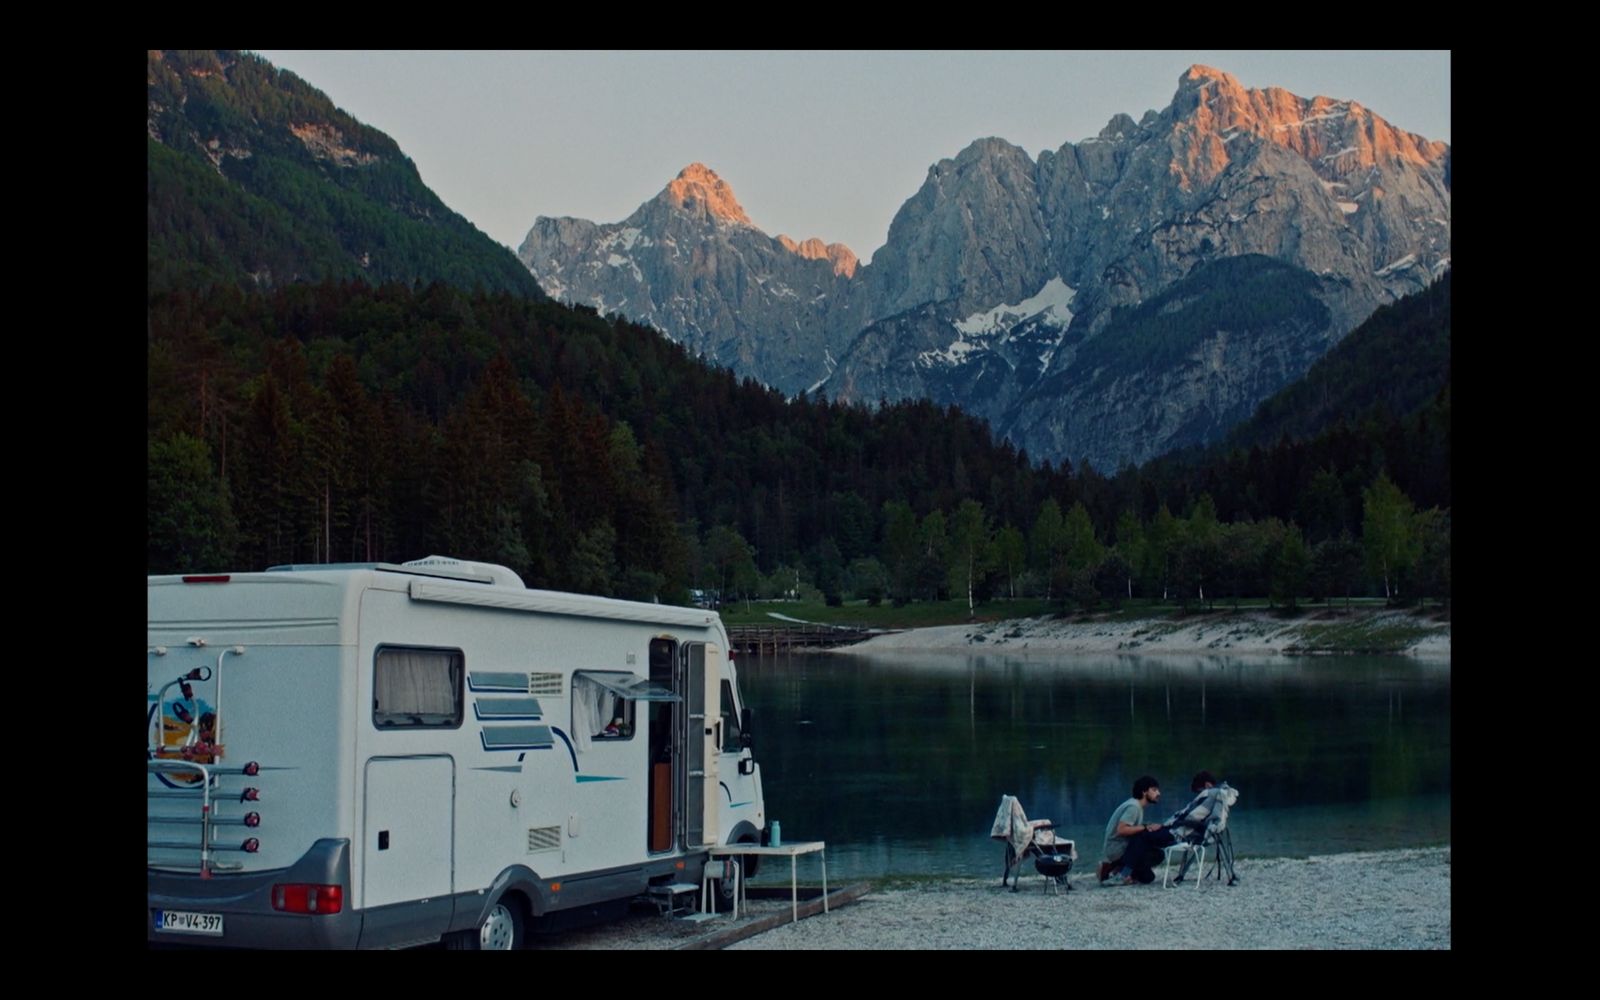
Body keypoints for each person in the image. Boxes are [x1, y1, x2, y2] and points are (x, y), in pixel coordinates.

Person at [1099, 775, 1176, 885]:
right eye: (1154, 790)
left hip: (1124, 847)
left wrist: (1147, 826)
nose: (1158, 794)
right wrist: (1145, 827)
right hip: (1116, 848)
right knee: (1147, 842)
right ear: (1144, 792)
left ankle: (1114, 869)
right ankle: (1122, 874)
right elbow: (1121, 830)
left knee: (1148, 877)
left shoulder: (1136, 806)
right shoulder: (1133, 807)